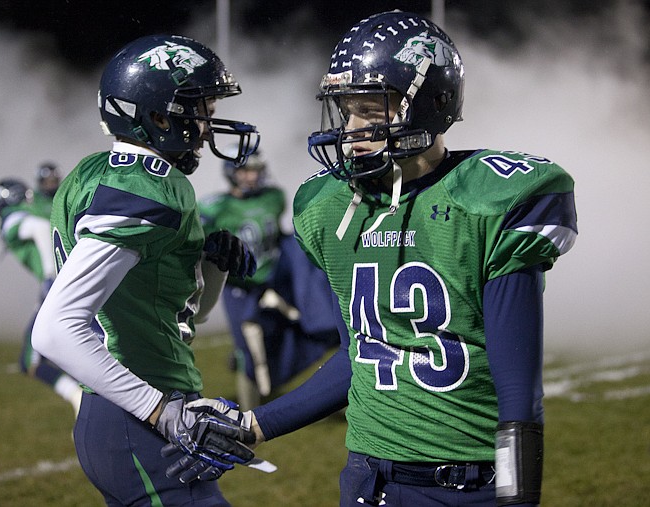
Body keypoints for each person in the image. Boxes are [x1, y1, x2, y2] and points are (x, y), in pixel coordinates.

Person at [177, 10, 579, 507]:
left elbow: (518, 390)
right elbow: (361, 357)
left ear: (431, 106)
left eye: (371, 110)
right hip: (367, 480)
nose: (352, 128)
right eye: (347, 111)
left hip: (464, 486)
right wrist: (254, 425)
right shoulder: (329, 207)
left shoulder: (490, 199)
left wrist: (518, 496)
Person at [31, 34, 263, 506]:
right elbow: (55, 329)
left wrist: (209, 266)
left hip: (121, 412)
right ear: (159, 116)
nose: (208, 126)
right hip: (135, 417)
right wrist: (160, 412)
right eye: (200, 111)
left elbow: (177, 318)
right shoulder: (150, 187)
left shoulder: (95, 172)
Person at [200, 149, 339, 408]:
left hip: (273, 279)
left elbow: (281, 238)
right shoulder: (213, 208)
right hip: (239, 287)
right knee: (247, 352)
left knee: (310, 327)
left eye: (256, 169)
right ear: (232, 173)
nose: (253, 175)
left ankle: (334, 391)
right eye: (246, 170)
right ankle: (247, 414)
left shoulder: (274, 198)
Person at [0, 178, 83, 414]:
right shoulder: (38, 208)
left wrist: (52, 277)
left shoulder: (12, 217)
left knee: (31, 360)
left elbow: (38, 227)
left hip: (62, 287)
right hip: (77, 283)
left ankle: (78, 398)